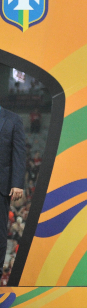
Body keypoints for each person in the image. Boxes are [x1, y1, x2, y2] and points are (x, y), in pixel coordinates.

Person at [0, 99, 25, 257]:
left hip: (1, 184)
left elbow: (19, 153)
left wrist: (17, 184)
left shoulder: (13, 119)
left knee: (0, 233)